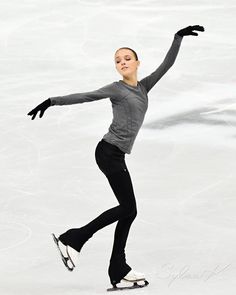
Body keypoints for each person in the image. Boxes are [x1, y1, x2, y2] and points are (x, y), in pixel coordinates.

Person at [27, 25, 205, 288]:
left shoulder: (144, 87)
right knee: (128, 208)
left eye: (127, 58)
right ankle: (74, 239)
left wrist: (177, 38)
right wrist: (52, 101)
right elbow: (87, 96)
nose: (122, 62)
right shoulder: (116, 88)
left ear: (137, 63)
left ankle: (116, 267)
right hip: (108, 152)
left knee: (129, 211)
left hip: (116, 155)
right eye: (117, 60)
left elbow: (165, 66)